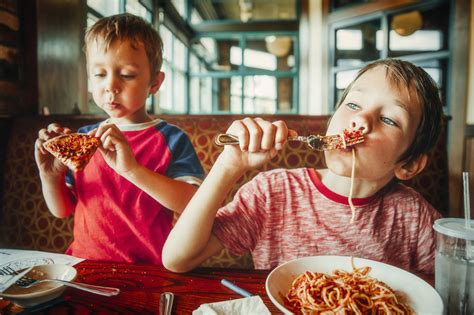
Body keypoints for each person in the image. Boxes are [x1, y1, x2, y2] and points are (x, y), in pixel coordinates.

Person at [162, 59, 443, 275]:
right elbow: (177, 258)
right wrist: (227, 165)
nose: (361, 121)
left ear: (409, 164)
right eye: (354, 104)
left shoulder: (414, 217)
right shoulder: (272, 192)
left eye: (389, 119)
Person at [34, 13, 204, 264]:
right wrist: (50, 176)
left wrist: (133, 170)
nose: (110, 86)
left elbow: (194, 206)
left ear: (155, 82)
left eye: (126, 75)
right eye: (100, 74)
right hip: (83, 264)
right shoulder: (83, 139)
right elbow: (62, 210)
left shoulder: (171, 139)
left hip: (150, 269)